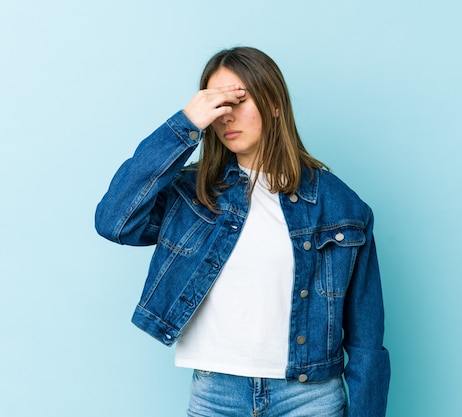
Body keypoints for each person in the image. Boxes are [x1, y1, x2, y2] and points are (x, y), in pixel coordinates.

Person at [95, 46, 390, 417]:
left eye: (238, 99)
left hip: (307, 400)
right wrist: (185, 123)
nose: (226, 116)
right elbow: (114, 221)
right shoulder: (193, 194)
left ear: (275, 104)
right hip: (216, 395)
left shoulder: (340, 206)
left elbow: (366, 340)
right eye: (215, 105)